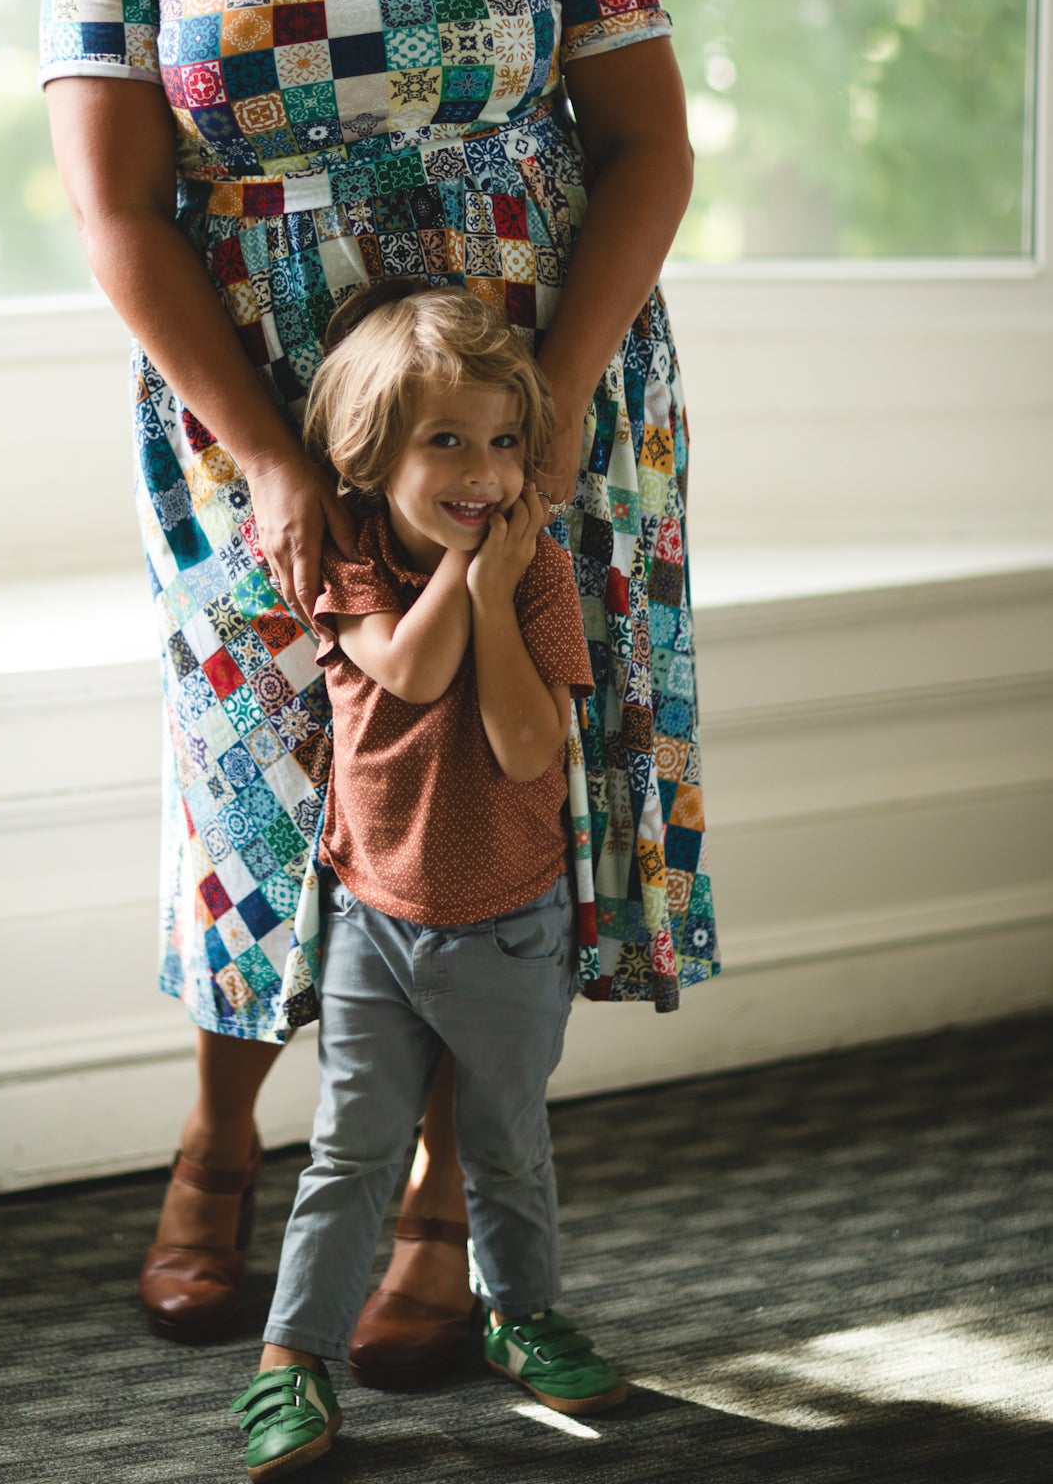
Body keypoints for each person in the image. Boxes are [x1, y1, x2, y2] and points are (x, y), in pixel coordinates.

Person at [40, 0, 717, 1369]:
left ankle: (437, 1200)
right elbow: (115, 211)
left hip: (511, 410)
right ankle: (217, 1145)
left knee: (480, 778)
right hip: (256, 410)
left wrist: (561, 400)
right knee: (266, 771)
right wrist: (265, 455)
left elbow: (649, 148)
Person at [230, 286, 624, 1480]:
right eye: (446, 440)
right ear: (370, 452)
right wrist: (468, 577)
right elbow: (409, 671)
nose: (487, 471)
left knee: (506, 1140)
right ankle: (291, 1359)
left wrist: (499, 585)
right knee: (350, 1148)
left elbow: (522, 745)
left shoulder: (536, 573)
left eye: (506, 441)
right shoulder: (346, 560)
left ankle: (518, 1309)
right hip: (376, 917)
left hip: (510, 920)